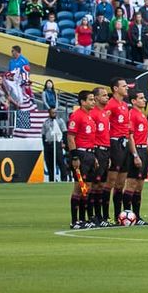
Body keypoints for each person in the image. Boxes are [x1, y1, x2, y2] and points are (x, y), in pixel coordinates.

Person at [65, 90, 98, 229]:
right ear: (82, 102)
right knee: (79, 188)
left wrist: (94, 156)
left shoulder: (89, 116)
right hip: (81, 154)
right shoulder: (77, 116)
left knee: (88, 188)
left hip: (90, 154)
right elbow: (71, 137)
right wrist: (75, 156)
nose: (93, 102)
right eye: (90, 99)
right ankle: (75, 220)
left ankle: (84, 219)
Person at [103, 78, 132, 221]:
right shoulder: (110, 105)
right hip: (114, 143)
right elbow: (104, 125)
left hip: (124, 143)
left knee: (121, 182)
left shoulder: (125, 105)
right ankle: (105, 216)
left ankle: (117, 216)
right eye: (124, 86)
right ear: (115, 88)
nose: (127, 88)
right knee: (111, 180)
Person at [124, 89, 148, 225]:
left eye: (144, 98)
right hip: (135, 152)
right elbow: (130, 136)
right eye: (141, 98)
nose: (144, 100)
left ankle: (137, 217)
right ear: (134, 101)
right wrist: (135, 155)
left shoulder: (142, 115)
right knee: (131, 184)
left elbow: (145, 138)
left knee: (139, 186)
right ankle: (127, 215)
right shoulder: (132, 115)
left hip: (143, 151)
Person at [88, 86, 112, 226]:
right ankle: (92, 216)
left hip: (105, 151)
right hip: (96, 150)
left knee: (101, 185)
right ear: (96, 98)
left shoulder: (104, 114)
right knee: (94, 185)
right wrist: (94, 154)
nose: (107, 97)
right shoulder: (93, 114)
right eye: (104, 95)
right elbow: (91, 135)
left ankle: (100, 217)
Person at [42, 107, 68, 183]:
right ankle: (51, 179)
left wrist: (64, 143)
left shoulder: (60, 121)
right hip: (48, 144)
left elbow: (64, 132)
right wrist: (45, 145)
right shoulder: (46, 122)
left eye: (55, 112)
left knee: (60, 162)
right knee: (49, 163)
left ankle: (64, 179)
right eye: (53, 113)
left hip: (57, 143)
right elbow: (43, 135)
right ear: (49, 113)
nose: (54, 114)